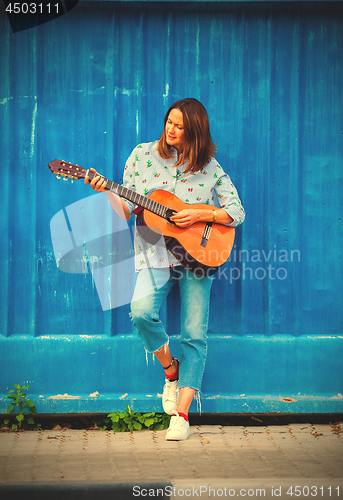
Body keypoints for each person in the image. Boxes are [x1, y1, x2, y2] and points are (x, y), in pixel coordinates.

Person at [85, 98, 245, 440]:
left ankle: (183, 414)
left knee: (194, 334)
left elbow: (236, 212)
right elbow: (125, 211)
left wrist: (203, 213)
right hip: (153, 253)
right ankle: (171, 370)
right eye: (169, 122)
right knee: (140, 312)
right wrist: (105, 191)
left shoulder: (210, 168)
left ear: (195, 132)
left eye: (180, 126)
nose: (171, 130)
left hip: (199, 257)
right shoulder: (143, 155)